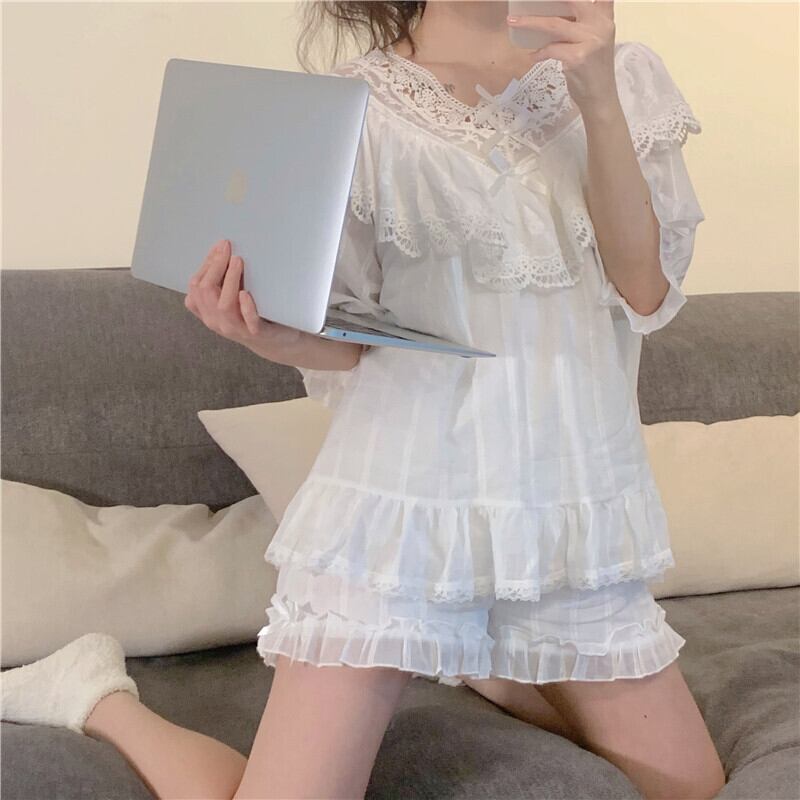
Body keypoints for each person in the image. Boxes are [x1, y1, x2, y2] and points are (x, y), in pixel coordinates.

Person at [1, 2, 728, 799]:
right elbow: (352, 342)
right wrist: (265, 334)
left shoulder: (620, 76)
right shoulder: (351, 111)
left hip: (569, 525)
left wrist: (597, 96)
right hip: (397, 520)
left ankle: (485, 665)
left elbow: (646, 290)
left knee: (694, 791)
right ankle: (98, 698)